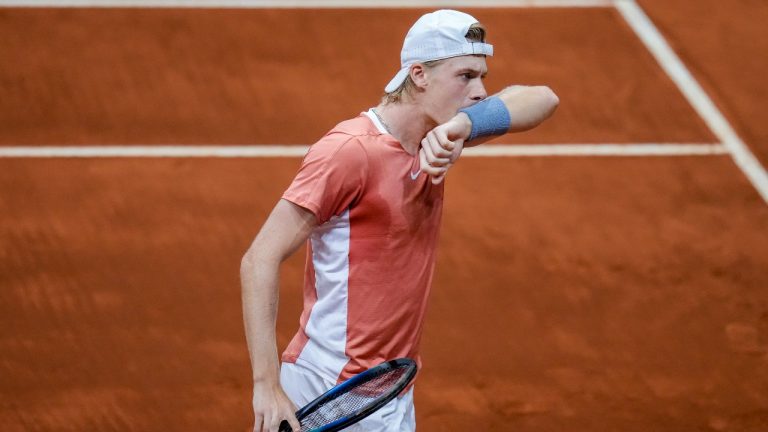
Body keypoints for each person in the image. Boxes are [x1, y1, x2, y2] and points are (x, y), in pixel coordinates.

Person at [241, 9, 558, 432]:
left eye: (482, 76)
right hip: (331, 388)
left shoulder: (438, 132)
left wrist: (463, 125)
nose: (480, 90)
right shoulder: (351, 151)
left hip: (387, 387)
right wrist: (267, 386)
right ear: (419, 75)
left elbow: (543, 98)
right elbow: (259, 258)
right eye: (465, 76)